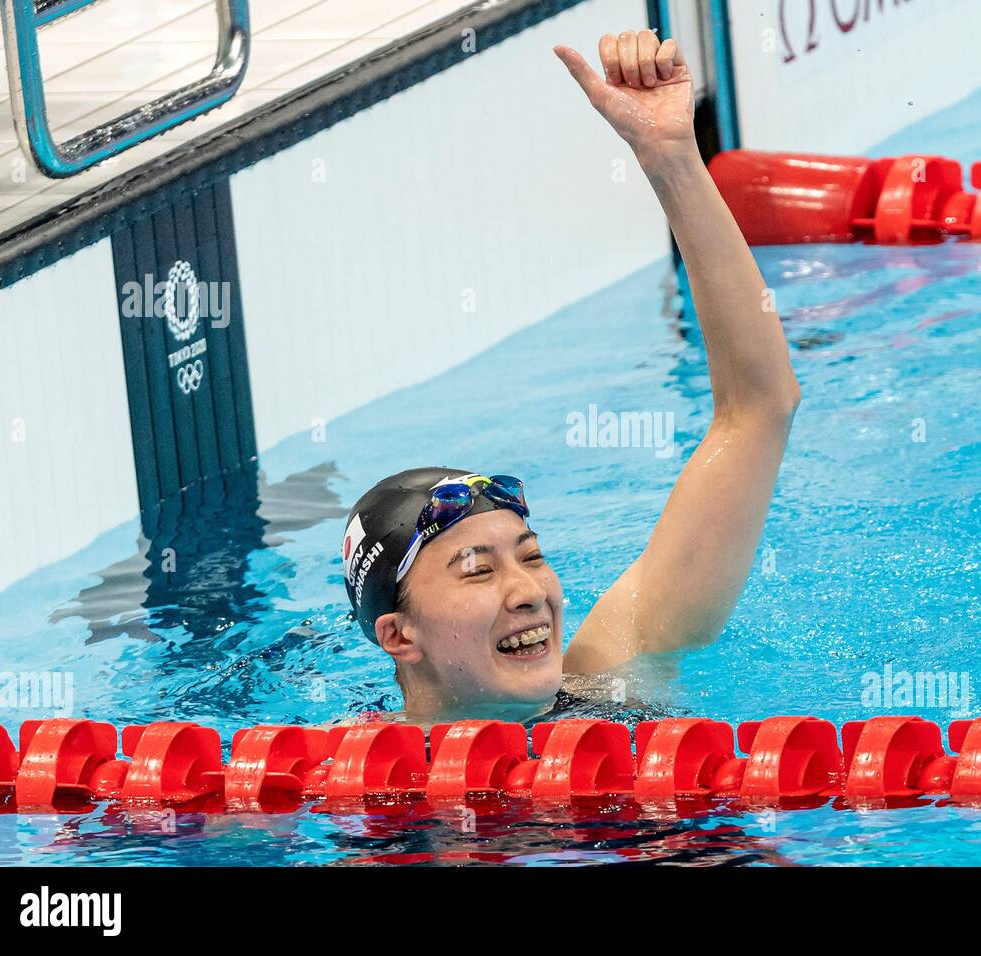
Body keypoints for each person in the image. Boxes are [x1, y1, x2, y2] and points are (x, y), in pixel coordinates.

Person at [340, 29, 800, 726]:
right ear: (399, 637)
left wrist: (670, 158)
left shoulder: (610, 686)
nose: (529, 592)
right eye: (479, 569)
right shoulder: (323, 784)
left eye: (530, 556)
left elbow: (759, 407)